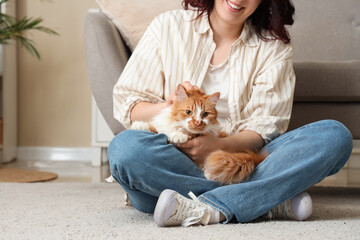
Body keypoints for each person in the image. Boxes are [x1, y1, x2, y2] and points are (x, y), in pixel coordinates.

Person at [108, 0, 353, 227]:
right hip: (174, 155)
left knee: (334, 136)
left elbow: (264, 128)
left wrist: (217, 146)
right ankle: (265, 199)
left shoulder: (274, 47)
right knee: (125, 149)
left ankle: (210, 207)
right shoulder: (168, 26)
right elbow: (129, 104)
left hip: (239, 160)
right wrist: (169, 107)